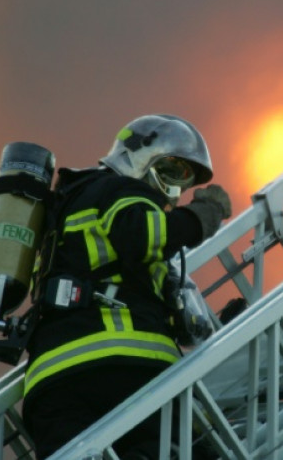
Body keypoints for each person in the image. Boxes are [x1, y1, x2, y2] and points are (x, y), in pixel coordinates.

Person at [21, 114, 231, 459]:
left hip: (51, 380)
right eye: (173, 171)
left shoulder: (63, 215)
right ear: (139, 155)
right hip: (124, 365)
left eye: (185, 179)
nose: (176, 188)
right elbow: (143, 235)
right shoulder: (119, 190)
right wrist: (201, 216)